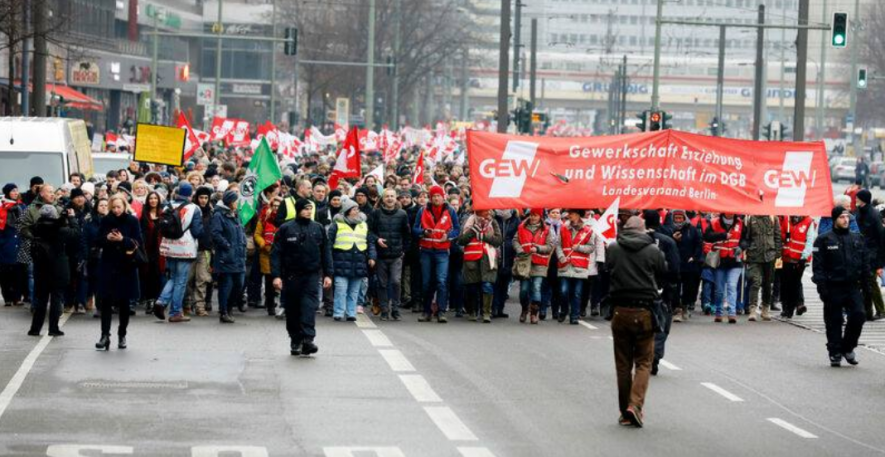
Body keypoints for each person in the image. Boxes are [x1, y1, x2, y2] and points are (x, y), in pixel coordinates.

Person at [606, 216, 666, 428]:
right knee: (643, 362)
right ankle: (635, 405)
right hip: (644, 310)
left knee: (623, 365)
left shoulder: (613, 248)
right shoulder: (652, 250)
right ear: (643, 230)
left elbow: (608, 272)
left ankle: (625, 412)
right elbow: (664, 273)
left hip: (620, 310)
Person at [272, 199, 333, 356]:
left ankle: (308, 339)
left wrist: (328, 274)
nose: (307, 211)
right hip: (291, 276)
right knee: (293, 310)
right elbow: (276, 254)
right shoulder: (286, 228)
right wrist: (276, 276)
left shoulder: (318, 228)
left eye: (309, 209)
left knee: (309, 307)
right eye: (304, 209)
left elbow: (326, 252)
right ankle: (295, 339)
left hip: (311, 275)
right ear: (298, 210)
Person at [812, 206, 868, 367]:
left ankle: (848, 347)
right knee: (833, 321)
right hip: (833, 286)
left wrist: (867, 287)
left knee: (859, 315)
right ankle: (835, 351)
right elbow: (818, 267)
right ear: (835, 219)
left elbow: (864, 264)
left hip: (852, 286)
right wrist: (822, 287)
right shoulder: (823, 239)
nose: (845, 220)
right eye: (842, 217)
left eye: (847, 217)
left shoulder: (857, 238)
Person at [95, 195, 142, 350]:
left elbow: (138, 243)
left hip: (126, 265)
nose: (116, 210)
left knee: (124, 303)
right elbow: (98, 240)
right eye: (113, 207)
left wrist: (122, 239)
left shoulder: (132, 220)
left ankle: (122, 334)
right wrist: (107, 238)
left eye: (119, 207)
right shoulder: (106, 220)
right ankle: (104, 335)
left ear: (124, 206)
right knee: (106, 301)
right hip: (108, 265)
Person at [156, 183, 204, 323]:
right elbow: (197, 231)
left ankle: (161, 301)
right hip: (185, 248)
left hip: (169, 246)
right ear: (190, 194)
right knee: (181, 281)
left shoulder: (167, 206)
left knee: (173, 277)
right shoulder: (194, 208)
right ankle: (176, 312)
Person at [28, 205, 79, 337]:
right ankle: (53, 328)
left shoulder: (36, 228)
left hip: (41, 267)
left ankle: (35, 328)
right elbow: (76, 233)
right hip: (58, 267)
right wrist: (71, 217)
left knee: (41, 299)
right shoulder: (60, 229)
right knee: (57, 298)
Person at [413, 185, 460, 322]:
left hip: (442, 251)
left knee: (441, 281)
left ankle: (441, 311)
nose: (436, 198)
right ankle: (426, 311)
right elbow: (415, 229)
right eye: (433, 196)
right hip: (426, 250)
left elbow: (457, 229)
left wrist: (449, 236)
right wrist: (422, 232)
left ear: (443, 196)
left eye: (438, 195)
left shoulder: (450, 211)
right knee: (427, 282)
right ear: (430, 197)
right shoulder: (422, 210)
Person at [329, 198, 376, 321]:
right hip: (341, 261)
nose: (357, 211)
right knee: (340, 289)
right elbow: (329, 243)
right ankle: (338, 312)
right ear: (347, 211)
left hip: (359, 261)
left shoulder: (363, 224)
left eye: (357, 209)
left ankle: (351, 313)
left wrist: (372, 256)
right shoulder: (337, 224)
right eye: (354, 209)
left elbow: (370, 242)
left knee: (354, 291)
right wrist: (328, 259)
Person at [368, 189, 411, 321]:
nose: (390, 198)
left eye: (392, 196)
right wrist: (377, 240)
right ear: (383, 198)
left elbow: (407, 234)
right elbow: (369, 231)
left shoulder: (402, 214)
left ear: (395, 198)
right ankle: (385, 310)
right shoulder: (376, 213)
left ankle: (396, 310)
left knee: (396, 282)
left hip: (396, 256)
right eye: (387, 196)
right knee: (382, 284)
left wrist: (404, 250)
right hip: (381, 256)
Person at [556, 209, 602, 325]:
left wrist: (580, 248)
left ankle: (574, 316)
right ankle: (564, 310)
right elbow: (558, 245)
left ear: (578, 215)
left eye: (571, 213)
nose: (569, 215)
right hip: (565, 264)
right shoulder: (563, 228)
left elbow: (591, 247)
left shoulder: (587, 230)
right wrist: (561, 257)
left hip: (580, 266)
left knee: (577, 293)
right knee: (563, 291)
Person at [458, 209, 503, 323]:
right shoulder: (469, 220)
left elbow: (498, 240)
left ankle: (486, 312)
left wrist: (483, 236)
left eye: (487, 213)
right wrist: (474, 230)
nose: (486, 215)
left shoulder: (493, 222)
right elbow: (461, 240)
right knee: (472, 287)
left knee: (487, 285)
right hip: (471, 260)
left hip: (488, 259)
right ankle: (473, 311)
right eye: (484, 213)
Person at [211, 190, 247, 324]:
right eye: (236, 200)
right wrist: (227, 245)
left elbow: (240, 231)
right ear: (230, 202)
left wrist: (242, 244)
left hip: (239, 256)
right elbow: (215, 234)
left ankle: (230, 307)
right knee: (226, 285)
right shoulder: (219, 215)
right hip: (226, 256)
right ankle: (224, 311)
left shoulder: (236, 214)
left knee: (239, 284)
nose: (238, 203)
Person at [514, 209, 555, 324]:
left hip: (539, 262)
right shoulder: (522, 227)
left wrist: (538, 248)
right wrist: (520, 249)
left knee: (536, 287)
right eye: (532, 215)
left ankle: (534, 313)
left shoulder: (546, 229)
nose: (533, 217)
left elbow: (549, 246)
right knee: (524, 290)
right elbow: (515, 240)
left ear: (540, 217)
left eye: (536, 215)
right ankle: (524, 309)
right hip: (525, 262)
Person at [740, 215, 782, 322]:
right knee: (755, 281)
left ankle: (765, 308)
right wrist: (746, 248)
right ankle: (752, 309)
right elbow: (745, 237)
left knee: (767, 284)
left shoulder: (773, 218)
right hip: (754, 255)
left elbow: (777, 236)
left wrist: (777, 253)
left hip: (769, 255)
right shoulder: (750, 218)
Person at [704, 213, 744, 324]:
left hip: (735, 260)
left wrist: (741, 247)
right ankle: (719, 312)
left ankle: (732, 313)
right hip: (720, 260)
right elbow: (707, 236)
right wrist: (722, 235)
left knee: (732, 285)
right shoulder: (714, 222)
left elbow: (746, 239)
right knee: (719, 290)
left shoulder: (741, 223)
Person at [854, 189, 885, 321]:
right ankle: (868, 311)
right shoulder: (859, 212)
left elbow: (881, 238)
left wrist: (880, 262)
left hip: (872, 254)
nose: (855, 200)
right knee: (865, 283)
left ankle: (880, 310)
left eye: (857, 198)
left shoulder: (873, 214)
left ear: (862, 200)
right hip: (862, 252)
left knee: (871, 282)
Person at [669, 210, 703, 322]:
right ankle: (677, 309)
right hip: (675, 263)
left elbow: (698, 244)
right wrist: (673, 238)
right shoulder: (669, 229)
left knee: (689, 287)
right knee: (675, 287)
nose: (678, 221)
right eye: (676, 218)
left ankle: (685, 305)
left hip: (688, 262)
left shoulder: (692, 230)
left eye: (680, 218)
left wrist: (694, 257)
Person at [779, 215, 815, 318]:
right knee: (785, 283)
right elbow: (781, 234)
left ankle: (791, 308)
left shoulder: (808, 221)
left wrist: (804, 256)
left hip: (800, 259)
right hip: (786, 257)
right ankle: (786, 307)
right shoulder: (787, 218)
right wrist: (785, 236)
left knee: (795, 282)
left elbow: (809, 241)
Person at [186, 185, 215, 316]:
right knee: (188, 279)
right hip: (190, 249)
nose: (203, 200)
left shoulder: (212, 213)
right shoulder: (191, 210)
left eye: (206, 198)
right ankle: (186, 304)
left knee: (202, 279)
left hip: (205, 250)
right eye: (201, 197)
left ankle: (200, 306)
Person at [254, 197, 282, 315]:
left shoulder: (284, 219)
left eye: (278, 206)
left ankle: (282, 304)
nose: (276, 208)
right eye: (274, 205)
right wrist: (262, 243)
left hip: (281, 254)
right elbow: (257, 234)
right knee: (269, 280)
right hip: (267, 253)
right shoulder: (264, 218)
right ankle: (270, 304)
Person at [139, 191, 165, 314]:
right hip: (147, 249)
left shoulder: (163, 214)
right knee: (148, 275)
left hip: (160, 250)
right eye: (151, 198)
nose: (153, 200)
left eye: (155, 198)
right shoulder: (143, 215)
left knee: (158, 275)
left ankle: (157, 300)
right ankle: (149, 300)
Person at [1, 184, 26, 306]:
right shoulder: (2, 207)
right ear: (7, 193)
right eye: (13, 191)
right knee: (5, 272)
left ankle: (17, 297)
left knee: (18, 272)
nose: (16, 193)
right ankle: (8, 298)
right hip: (5, 243)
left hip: (19, 243)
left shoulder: (21, 206)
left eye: (17, 190)